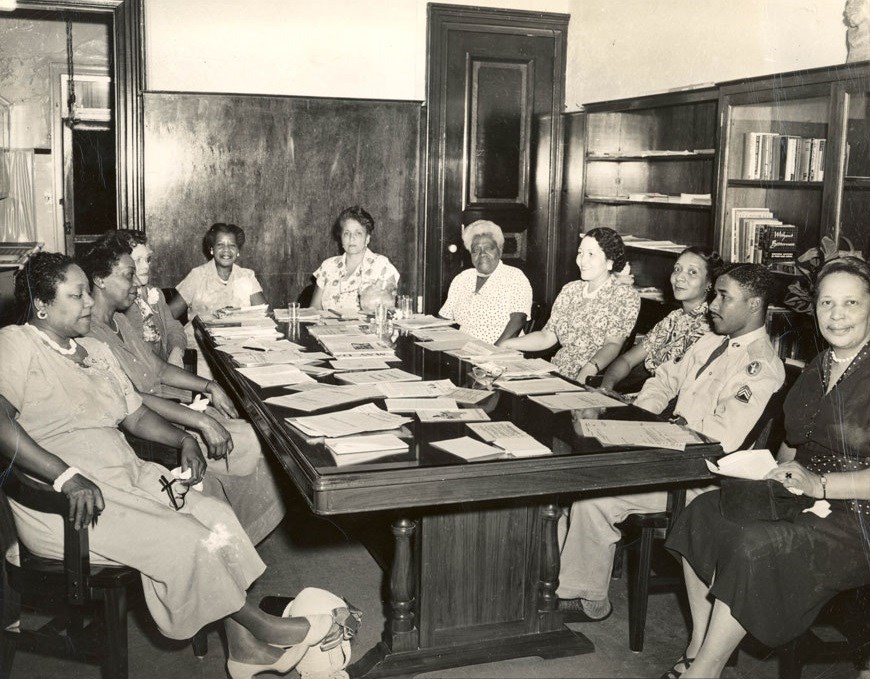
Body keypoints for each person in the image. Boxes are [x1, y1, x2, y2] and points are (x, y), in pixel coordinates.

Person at [0, 252, 344, 678]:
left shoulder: (92, 350)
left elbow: (137, 416)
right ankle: (263, 626)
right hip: (69, 505)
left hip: (127, 479)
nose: (89, 302)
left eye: (89, 292)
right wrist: (65, 476)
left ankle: (241, 646)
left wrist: (184, 439)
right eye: (77, 295)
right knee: (189, 539)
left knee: (216, 518)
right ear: (42, 305)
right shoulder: (15, 343)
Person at [662, 256, 870, 679]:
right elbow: (795, 446)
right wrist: (767, 475)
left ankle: (704, 670)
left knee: (753, 544)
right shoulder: (819, 366)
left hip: (858, 516)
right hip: (806, 494)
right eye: (827, 304)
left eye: (850, 304)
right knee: (704, 511)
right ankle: (699, 644)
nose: (837, 315)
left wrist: (820, 484)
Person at [557, 263, 786, 622]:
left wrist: (664, 434)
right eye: (715, 294)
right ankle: (566, 585)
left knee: (593, 495)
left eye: (724, 297)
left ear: (755, 304)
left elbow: (723, 438)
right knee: (582, 477)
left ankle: (585, 598)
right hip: (668, 454)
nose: (712, 304)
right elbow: (663, 379)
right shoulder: (711, 342)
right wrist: (645, 419)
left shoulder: (760, 366)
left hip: (702, 481)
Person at [79, 237, 285, 546]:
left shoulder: (120, 319)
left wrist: (210, 385)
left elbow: (160, 369)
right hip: (144, 430)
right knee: (254, 445)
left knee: (259, 436)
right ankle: (227, 542)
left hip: (166, 410)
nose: (136, 283)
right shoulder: (89, 334)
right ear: (99, 280)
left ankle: (232, 539)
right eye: (127, 275)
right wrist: (200, 421)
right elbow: (133, 400)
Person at [501, 227, 640, 383]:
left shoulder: (624, 295)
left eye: (591, 254)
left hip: (592, 377)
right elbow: (547, 336)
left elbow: (613, 344)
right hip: (558, 371)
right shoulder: (570, 289)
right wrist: (508, 344)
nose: (582, 261)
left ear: (610, 262)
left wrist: (588, 370)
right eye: (580, 253)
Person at [600, 247, 723, 393]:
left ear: (710, 283)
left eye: (692, 272)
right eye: (677, 269)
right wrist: (606, 388)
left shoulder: (710, 326)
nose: (679, 277)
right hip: (641, 393)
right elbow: (627, 360)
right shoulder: (673, 318)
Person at [437, 220, 533, 345]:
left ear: (499, 250)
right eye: (476, 250)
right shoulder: (462, 278)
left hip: (500, 351)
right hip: (463, 350)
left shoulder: (514, 276)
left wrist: (493, 352)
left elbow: (518, 319)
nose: (482, 254)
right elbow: (444, 318)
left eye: (488, 248)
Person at [107, 229, 188, 367]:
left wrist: (176, 353)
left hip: (164, 370)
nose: (146, 266)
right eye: (138, 260)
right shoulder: (119, 301)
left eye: (147, 259)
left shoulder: (154, 293)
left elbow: (175, 328)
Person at [170, 222, 267, 325]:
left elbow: (263, 314)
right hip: (201, 339)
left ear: (238, 251)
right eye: (220, 245)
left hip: (237, 338)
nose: (226, 250)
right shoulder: (197, 275)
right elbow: (168, 314)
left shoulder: (247, 276)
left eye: (232, 245)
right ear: (212, 249)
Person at [310, 206, 400, 314]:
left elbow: (389, 312)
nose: (351, 238)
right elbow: (313, 310)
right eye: (347, 233)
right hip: (327, 330)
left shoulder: (382, 265)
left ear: (367, 238)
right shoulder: (328, 266)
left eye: (358, 233)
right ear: (341, 238)